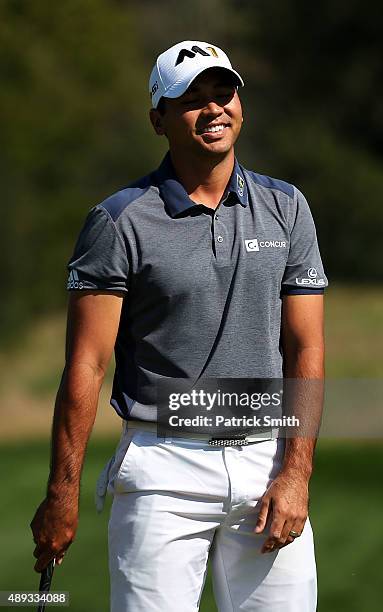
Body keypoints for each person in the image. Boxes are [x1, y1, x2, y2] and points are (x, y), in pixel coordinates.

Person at [31, 40, 328, 611]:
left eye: (224, 94)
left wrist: (297, 473)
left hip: (267, 462)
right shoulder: (118, 220)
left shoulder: (288, 207)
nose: (214, 109)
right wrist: (61, 493)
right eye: (191, 101)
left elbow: (306, 347)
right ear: (158, 120)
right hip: (162, 466)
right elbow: (87, 364)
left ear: (241, 105)